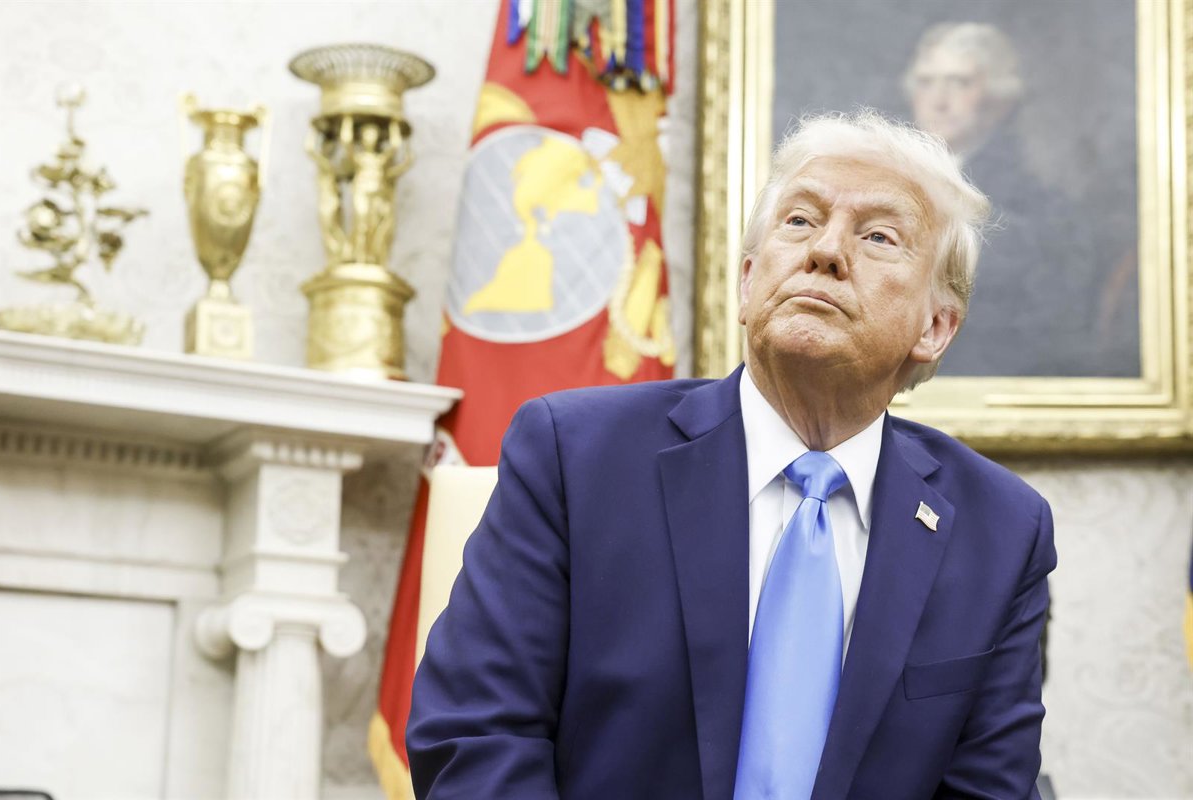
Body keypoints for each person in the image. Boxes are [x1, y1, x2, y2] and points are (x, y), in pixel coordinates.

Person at [407, 110, 1056, 799]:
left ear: (935, 327)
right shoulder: (575, 457)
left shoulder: (1002, 531)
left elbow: (988, 789)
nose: (826, 251)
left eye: (878, 236)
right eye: (800, 221)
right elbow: (475, 735)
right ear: (748, 283)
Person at [903, 22, 1133, 377]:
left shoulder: (1038, 206)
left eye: (960, 82)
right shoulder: (894, 180)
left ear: (999, 101)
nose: (939, 100)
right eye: (926, 82)